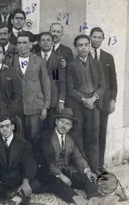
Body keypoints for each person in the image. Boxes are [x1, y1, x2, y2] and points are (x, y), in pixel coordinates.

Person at [34, 108, 118, 205]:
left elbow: (78, 157)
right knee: (59, 184)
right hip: (49, 173)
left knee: (88, 178)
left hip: (65, 170)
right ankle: (79, 201)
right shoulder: (47, 137)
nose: (64, 126)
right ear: (56, 122)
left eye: (67, 124)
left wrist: (87, 170)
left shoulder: (70, 139)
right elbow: (46, 162)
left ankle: (95, 199)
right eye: (62, 122)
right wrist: (61, 176)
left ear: (71, 126)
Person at [67, 34, 105, 174]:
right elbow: (69, 88)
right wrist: (83, 99)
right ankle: (83, 170)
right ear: (76, 48)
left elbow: (103, 85)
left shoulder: (96, 63)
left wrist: (94, 98)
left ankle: (95, 170)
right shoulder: (71, 65)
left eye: (86, 45)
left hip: (94, 105)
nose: (83, 48)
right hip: (78, 106)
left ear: (90, 46)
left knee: (93, 138)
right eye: (80, 45)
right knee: (78, 137)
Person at [0, 115, 38, 204]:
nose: (5, 129)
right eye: (1, 126)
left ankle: (17, 195)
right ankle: (10, 194)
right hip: (1, 178)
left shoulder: (24, 144)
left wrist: (25, 181)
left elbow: (29, 165)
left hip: (17, 178)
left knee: (34, 181)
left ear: (12, 127)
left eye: (7, 126)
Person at [11, 33, 50, 141]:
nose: (22, 46)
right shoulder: (11, 61)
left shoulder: (39, 61)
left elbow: (45, 84)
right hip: (17, 107)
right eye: (19, 43)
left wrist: (45, 107)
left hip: (35, 105)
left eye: (25, 43)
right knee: (19, 137)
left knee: (34, 137)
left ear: (31, 45)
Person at [89, 27, 118, 174]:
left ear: (103, 39)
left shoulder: (108, 57)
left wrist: (112, 100)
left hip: (104, 103)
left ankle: (100, 165)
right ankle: (90, 166)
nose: (96, 39)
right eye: (94, 37)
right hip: (89, 103)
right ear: (90, 37)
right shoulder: (84, 54)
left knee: (101, 133)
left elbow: (113, 81)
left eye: (99, 37)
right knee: (90, 134)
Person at [38, 32, 66, 131]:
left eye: (48, 40)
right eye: (43, 40)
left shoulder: (58, 59)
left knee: (50, 128)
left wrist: (61, 101)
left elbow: (60, 81)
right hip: (38, 100)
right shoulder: (34, 58)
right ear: (39, 43)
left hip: (53, 100)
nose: (45, 42)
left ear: (53, 43)